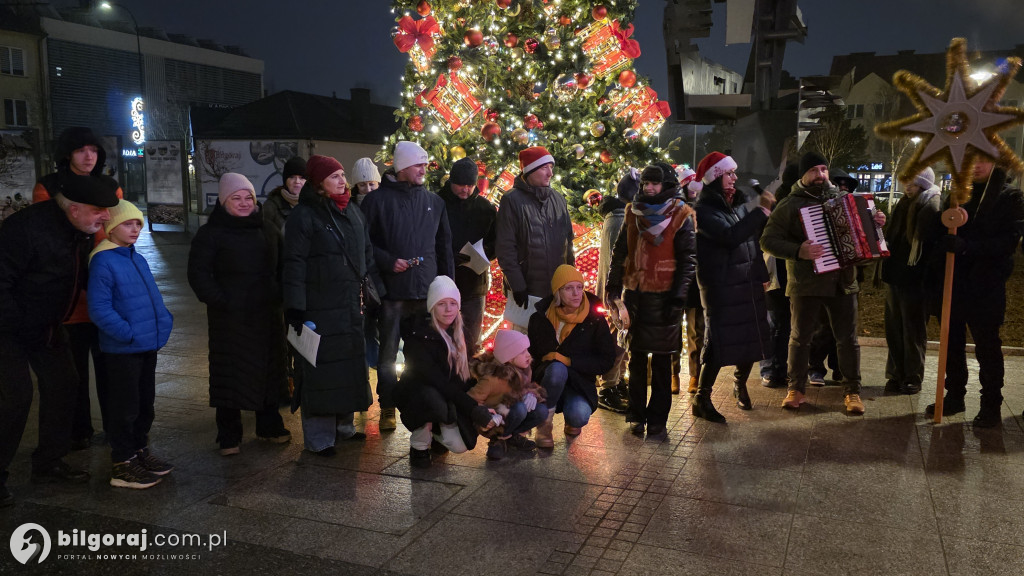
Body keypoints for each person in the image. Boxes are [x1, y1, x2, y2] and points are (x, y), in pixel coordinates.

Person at [0, 172, 118, 506]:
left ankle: (49, 462)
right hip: (7, 328)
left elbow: (77, 275)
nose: (106, 216)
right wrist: (16, 324)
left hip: (46, 325)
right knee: (14, 397)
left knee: (65, 383)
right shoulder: (25, 229)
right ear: (75, 207)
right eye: (99, 209)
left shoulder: (78, 230)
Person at [760, 152, 885, 414]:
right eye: (814, 170)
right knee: (799, 338)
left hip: (843, 282)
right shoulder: (790, 204)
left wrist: (876, 224)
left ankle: (852, 391)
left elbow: (865, 238)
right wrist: (798, 251)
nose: (821, 174)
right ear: (804, 175)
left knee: (848, 340)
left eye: (823, 169)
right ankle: (796, 388)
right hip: (805, 283)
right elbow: (767, 241)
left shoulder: (844, 199)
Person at [283, 155, 385, 455]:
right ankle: (319, 438)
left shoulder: (353, 211)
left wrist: (374, 293)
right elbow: (294, 264)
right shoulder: (305, 216)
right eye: (334, 176)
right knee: (321, 372)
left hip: (351, 305)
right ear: (318, 184)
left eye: (342, 174)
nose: (342, 180)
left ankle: (344, 426)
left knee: (349, 367)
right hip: (319, 306)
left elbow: (366, 256)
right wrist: (296, 308)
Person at [33, 126, 123, 450]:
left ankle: (116, 428)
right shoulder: (49, 188)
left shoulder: (111, 187)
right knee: (72, 374)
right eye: (81, 150)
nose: (89, 157)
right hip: (67, 296)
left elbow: (119, 235)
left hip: (104, 293)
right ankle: (76, 432)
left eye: (94, 150)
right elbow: (48, 239)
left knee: (111, 368)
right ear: (67, 154)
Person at [188, 173, 291, 456]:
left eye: (248, 197)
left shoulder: (267, 229)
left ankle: (269, 425)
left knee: (269, 372)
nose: (244, 203)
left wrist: (279, 295)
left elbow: (283, 267)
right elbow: (199, 274)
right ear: (223, 202)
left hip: (266, 314)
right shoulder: (211, 234)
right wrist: (222, 301)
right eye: (236, 198)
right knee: (229, 376)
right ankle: (229, 434)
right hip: (230, 318)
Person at [361, 141, 454, 432]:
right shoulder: (376, 202)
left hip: (426, 294)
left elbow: (444, 247)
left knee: (424, 355)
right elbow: (364, 245)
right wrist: (388, 262)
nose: (424, 170)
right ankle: (387, 405)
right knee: (388, 356)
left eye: (425, 165)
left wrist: (448, 287)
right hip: (392, 294)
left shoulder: (435, 202)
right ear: (401, 167)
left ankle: (422, 403)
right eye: (418, 165)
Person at [925, 160, 1024, 427]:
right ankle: (954, 396)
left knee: (987, 346)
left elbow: (1007, 242)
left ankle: (990, 404)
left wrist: (968, 247)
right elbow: (940, 228)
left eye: (983, 159)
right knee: (951, 343)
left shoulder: (1010, 196)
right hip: (953, 282)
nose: (977, 165)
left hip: (985, 285)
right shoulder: (958, 194)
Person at [87, 200, 174, 489]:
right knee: (124, 408)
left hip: (145, 345)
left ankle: (139, 452)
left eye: (138, 223)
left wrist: (164, 321)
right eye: (128, 223)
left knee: (143, 405)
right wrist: (128, 334)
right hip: (123, 349)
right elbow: (99, 308)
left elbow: (151, 297)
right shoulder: (103, 260)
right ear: (110, 228)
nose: (135, 228)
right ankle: (122, 463)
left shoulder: (135, 256)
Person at [606, 166, 697, 435]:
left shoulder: (681, 215)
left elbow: (687, 259)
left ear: (666, 185)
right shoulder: (632, 213)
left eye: (655, 183)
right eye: (646, 182)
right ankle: (636, 414)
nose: (649, 187)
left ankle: (658, 419)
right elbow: (621, 250)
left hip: (666, 298)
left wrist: (679, 296)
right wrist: (613, 287)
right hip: (636, 297)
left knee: (660, 363)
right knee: (635, 360)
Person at [689, 152, 773, 422]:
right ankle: (702, 398)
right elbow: (730, 237)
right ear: (715, 178)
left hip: (746, 284)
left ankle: (740, 383)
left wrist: (761, 274)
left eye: (734, 173)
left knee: (750, 338)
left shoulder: (737, 206)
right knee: (717, 342)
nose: (734, 178)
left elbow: (751, 244)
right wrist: (761, 211)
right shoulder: (702, 211)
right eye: (729, 173)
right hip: (721, 288)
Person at [394, 276, 497, 468]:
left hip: (446, 395)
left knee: (459, 445)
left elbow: (463, 378)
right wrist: (472, 408)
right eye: (442, 304)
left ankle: (437, 432)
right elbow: (437, 380)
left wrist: (481, 399)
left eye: (452, 303)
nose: (448, 309)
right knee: (429, 397)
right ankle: (419, 444)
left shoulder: (461, 332)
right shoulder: (417, 337)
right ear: (432, 306)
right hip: (418, 395)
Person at [528, 265, 617, 447]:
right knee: (557, 370)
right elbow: (533, 355)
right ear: (557, 292)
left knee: (578, 415)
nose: (576, 293)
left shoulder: (594, 320)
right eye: (569, 288)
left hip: (579, 384)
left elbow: (607, 359)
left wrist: (570, 361)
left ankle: (572, 419)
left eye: (579, 287)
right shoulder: (540, 317)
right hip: (548, 382)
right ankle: (544, 425)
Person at [495, 146, 575, 330]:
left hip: (557, 292)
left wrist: (570, 282)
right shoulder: (511, 200)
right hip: (527, 294)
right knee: (526, 349)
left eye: (551, 167)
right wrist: (517, 286)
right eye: (544, 168)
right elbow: (506, 248)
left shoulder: (558, 199)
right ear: (529, 171)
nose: (550, 174)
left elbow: (568, 243)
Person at [881, 167, 942, 396]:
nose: (907, 187)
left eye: (913, 183)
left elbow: (928, 248)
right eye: (905, 182)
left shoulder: (930, 206)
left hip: (915, 279)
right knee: (894, 328)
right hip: (896, 275)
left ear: (923, 184)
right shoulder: (905, 204)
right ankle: (896, 374)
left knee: (913, 330)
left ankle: (912, 377)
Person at [440, 157, 496, 353]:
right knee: (442, 340)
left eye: (470, 185)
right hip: (443, 282)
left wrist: (484, 254)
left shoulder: (485, 208)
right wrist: (448, 257)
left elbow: (496, 241)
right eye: (460, 185)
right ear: (451, 182)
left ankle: (466, 379)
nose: (465, 190)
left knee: (470, 339)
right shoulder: (438, 204)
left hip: (474, 284)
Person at [594, 169, 638, 414]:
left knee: (621, 339)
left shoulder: (617, 216)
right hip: (618, 294)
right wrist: (618, 299)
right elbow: (618, 261)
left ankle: (618, 381)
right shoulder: (621, 219)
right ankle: (608, 387)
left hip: (617, 292)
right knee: (617, 339)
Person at [263, 155, 306, 403]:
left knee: (300, 335)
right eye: (293, 177)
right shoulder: (272, 207)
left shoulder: (311, 204)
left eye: (302, 177)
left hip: (302, 281)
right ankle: (285, 383)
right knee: (282, 336)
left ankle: (300, 381)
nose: (297, 182)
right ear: (285, 180)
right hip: (280, 280)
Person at [468, 330, 548, 459]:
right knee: (520, 409)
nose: (528, 355)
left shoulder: (525, 370)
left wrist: (531, 394)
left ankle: (513, 436)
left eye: (527, 350)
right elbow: (471, 400)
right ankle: (498, 439)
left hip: (513, 413)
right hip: (495, 422)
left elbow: (526, 387)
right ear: (510, 358)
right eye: (522, 352)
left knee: (542, 411)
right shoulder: (492, 379)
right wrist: (486, 416)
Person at [760, 163, 801, 389]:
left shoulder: (789, 201)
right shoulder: (782, 204)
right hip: (778, 272)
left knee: (781, 323)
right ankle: (771, 369)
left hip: (786, 272)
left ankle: (777, 369)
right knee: (777, 323)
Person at [350, 157, 383, 366]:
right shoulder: (351, 209)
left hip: (380, 273)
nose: (368, 189)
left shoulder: (384, 205)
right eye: (363, 185)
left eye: (372, 184)